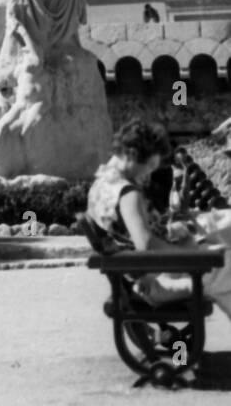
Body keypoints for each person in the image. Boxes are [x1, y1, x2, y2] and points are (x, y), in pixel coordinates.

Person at [87, 120, 231, 313]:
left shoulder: (101, 185)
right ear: (132, 156)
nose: (150, 173)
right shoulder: (127, 194)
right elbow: (146, 244)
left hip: (144, 274)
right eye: (150, 165)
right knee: (226, 261)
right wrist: (195, 256)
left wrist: (175, 233)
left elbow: (128, 237)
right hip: (158, 281)